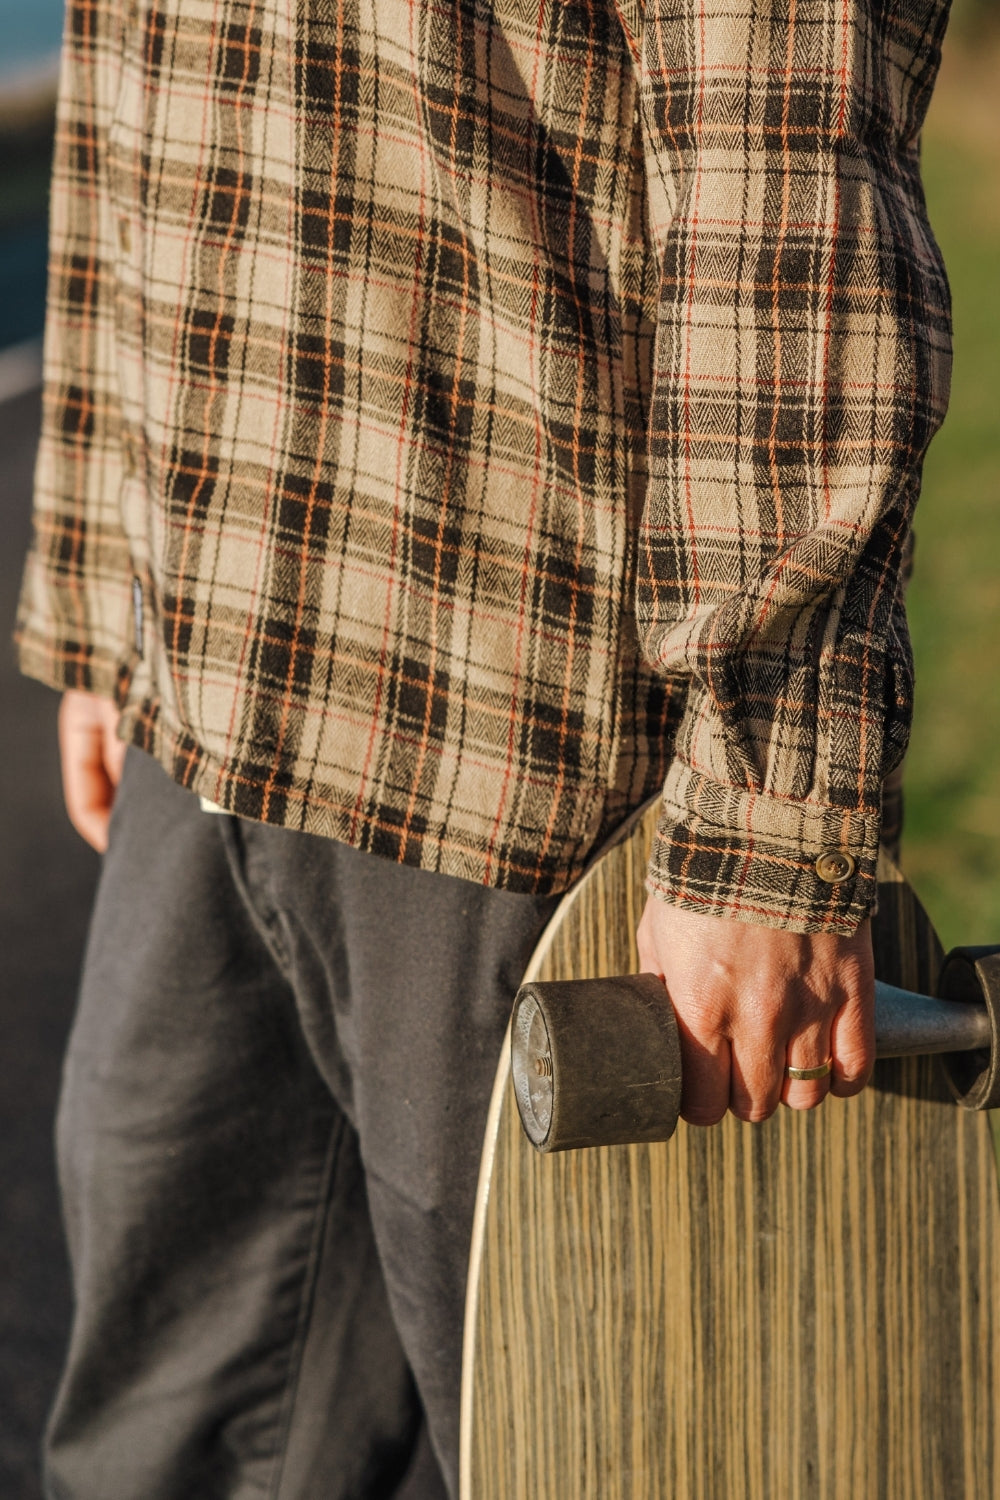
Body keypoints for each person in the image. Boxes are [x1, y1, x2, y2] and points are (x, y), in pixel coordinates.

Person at [16, 0, 952, 1493]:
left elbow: (782, 158)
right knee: (157, 1445)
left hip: (515, 733)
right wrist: (96, 574)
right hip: (198, 669)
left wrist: (771, 807)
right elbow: (130, 77)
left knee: (593, 1449)